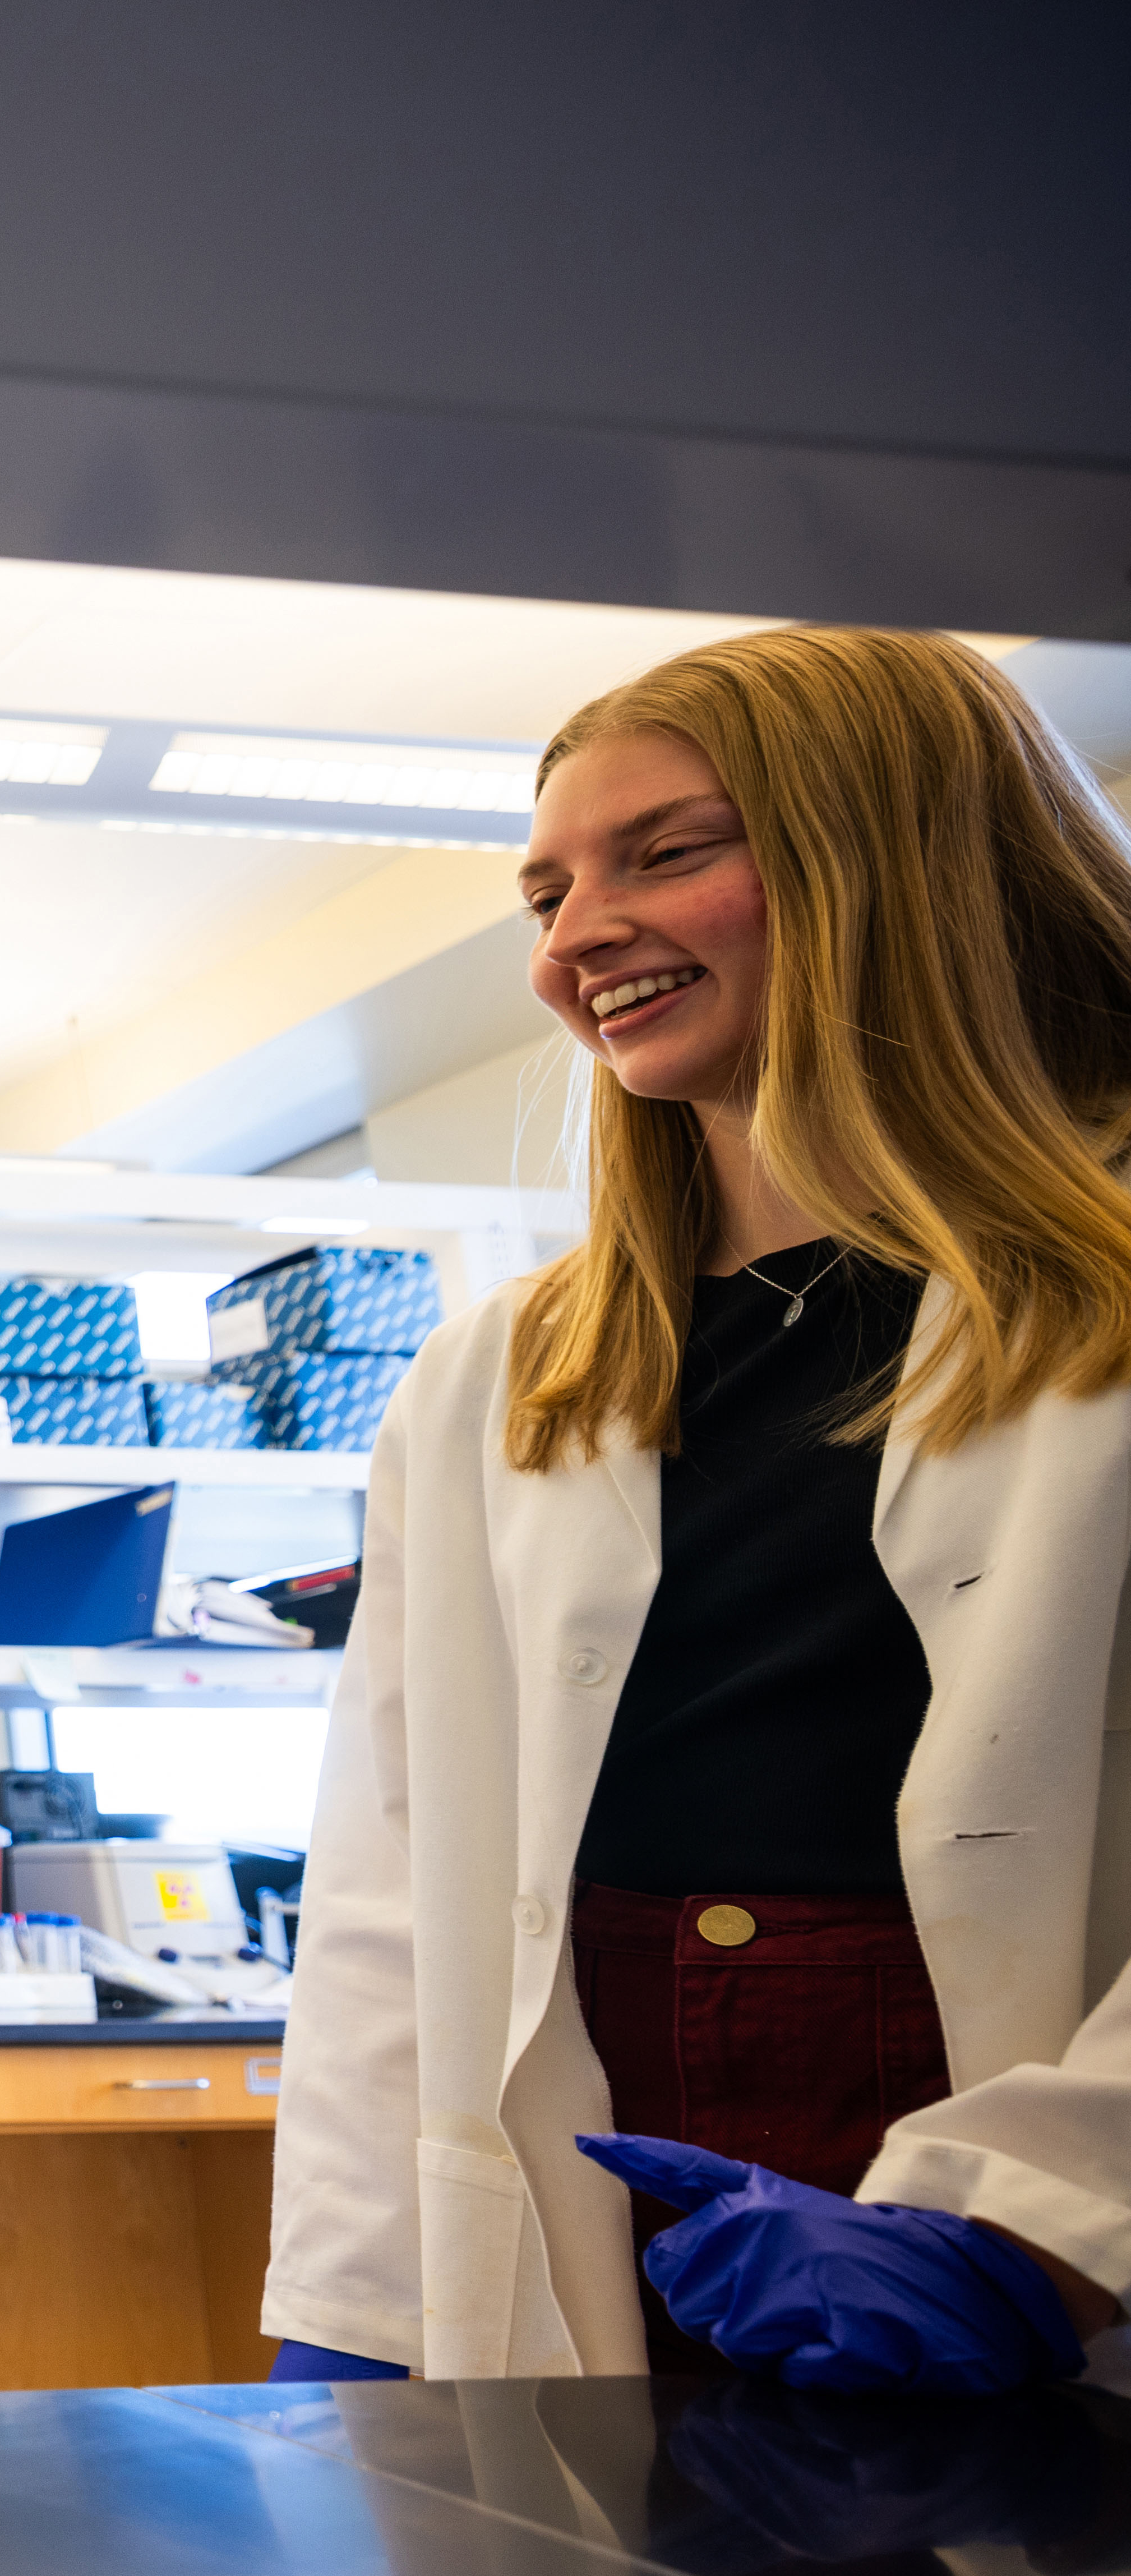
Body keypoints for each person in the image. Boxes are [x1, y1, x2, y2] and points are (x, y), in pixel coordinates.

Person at [265, 624, 1131, 2390]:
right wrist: (355, 2317)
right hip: (611, 2189)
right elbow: (390, 1894)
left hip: (1019, 2198)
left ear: (898, 861)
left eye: (669, 852)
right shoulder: (503, 1379)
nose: (576, 938)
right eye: (545, 891)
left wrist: (1046, 2241)